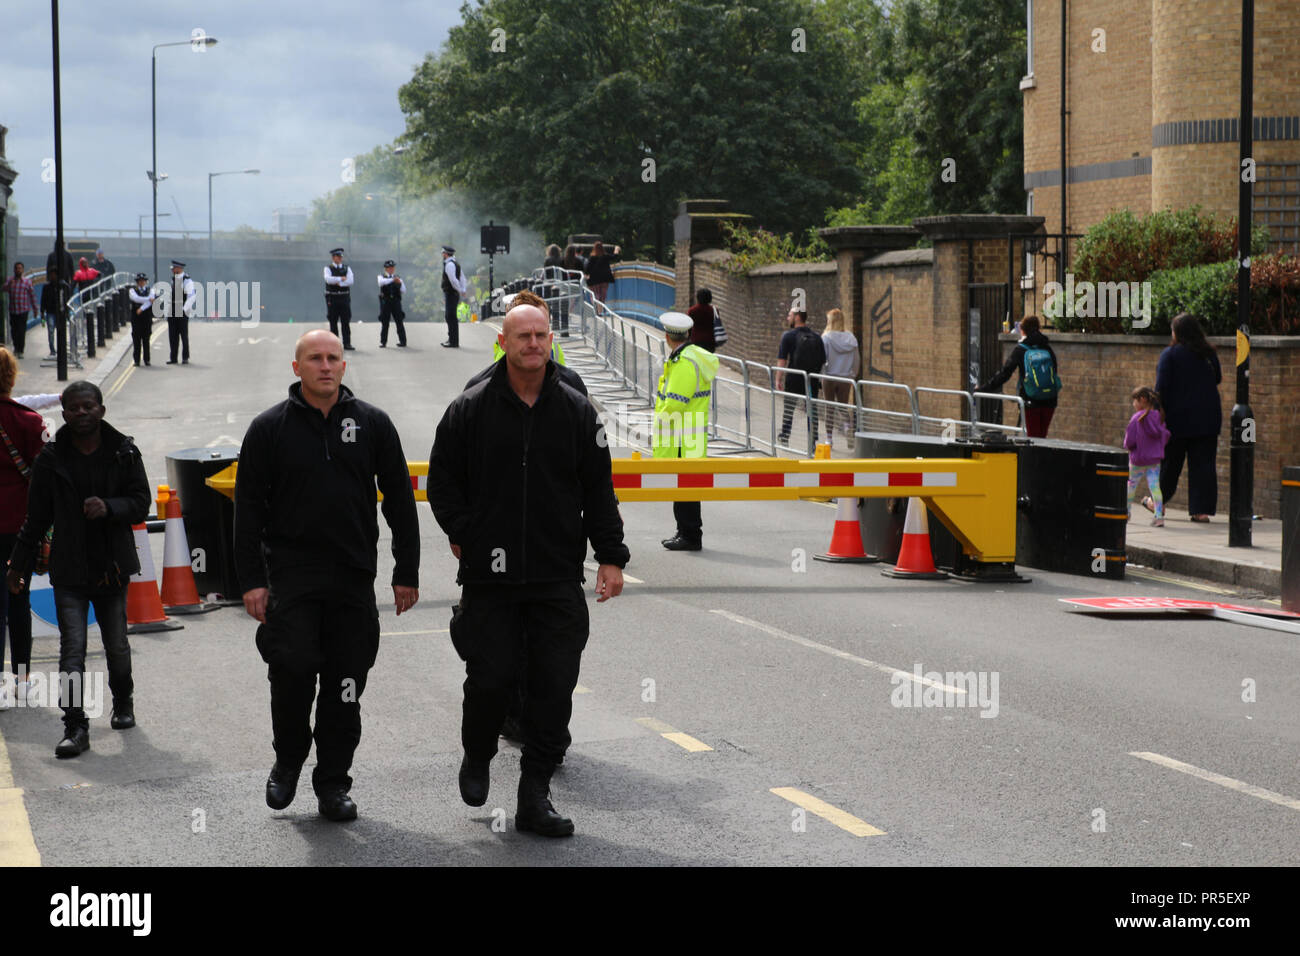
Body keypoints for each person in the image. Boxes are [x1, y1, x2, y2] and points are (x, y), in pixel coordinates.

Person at [427, 298, 629, 837]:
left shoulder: (576, 411)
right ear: (504, 343)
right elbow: (441, 483)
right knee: (489, 679)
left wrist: (610, 557)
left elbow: (598, 491)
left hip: (556, 574)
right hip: (490, 580)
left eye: (541, 335)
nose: (534, 344)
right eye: (524, 337)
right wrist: (466, 534)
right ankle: (477, 753)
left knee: (553, 685)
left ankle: (534, 795)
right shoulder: (469, 409)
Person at [234, 330, 419, 822]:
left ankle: (333, 783)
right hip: (290, 580)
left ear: (343, 365)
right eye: (314, 358)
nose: (325, 366)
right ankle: (288, 760)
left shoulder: (373, 424)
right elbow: (247, 510)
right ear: (297, 368)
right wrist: (251, 580)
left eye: (333, 358)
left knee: (346, 685)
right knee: (292, 673)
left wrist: (407, 571)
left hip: (352, 581)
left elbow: (399, 499)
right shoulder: (268, 428)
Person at [5, 381, 149, 758]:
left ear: (101, 409)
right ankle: (74, 724)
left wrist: (110, 507)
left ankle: (123, 701)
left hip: (112, 567)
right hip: (70, 568)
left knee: (117, 645)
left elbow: (140, 502)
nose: (82, 413)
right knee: (73, 650)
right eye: (74, 408)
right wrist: (17, 566)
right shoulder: (50, 460)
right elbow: (35, 519)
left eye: (89, 406)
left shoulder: (124, 451)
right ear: (64, 413)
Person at [0, 349, 45, 710]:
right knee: (19, 598)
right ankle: (23, 679)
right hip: (20, 528)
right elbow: (45, 480)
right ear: (12, 378)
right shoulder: (28, 421)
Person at [656, 312, 720, 551]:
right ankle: (686, 531)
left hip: (680, 431)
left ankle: (689, 535)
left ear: (667, 336)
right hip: (690, 429)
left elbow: (674, 402)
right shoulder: (690, 356)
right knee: (686, 485)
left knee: (684, 485)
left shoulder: (683, 362)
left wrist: (659, 419)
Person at [1156, 312, 1222, 521]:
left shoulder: (1170, 355)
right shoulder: (1209, 354)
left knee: (1170, 465)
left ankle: (1158, 503)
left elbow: (1161, 388)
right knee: (1204, 466)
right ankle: (1201, 511)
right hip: (1208, 419)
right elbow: (1217, 378)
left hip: (1178, 420)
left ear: (1178, 333)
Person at [979, 314, 1060, 438]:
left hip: (1030, 400)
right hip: (1050, 399)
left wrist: (983, 388)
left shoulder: (1021, 350)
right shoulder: (1047, 348)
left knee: (1033, 438)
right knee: (1042, 436)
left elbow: (1004, 374)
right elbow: (1054, 372)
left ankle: (1034, 457)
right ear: (1038, 328)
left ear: (1023, 330)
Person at [775, 310, 824, 447]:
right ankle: (813, 440)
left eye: (789, 315)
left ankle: (785, 436)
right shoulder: (816, 336)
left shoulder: (788, 336)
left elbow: (782, 360)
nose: (787, 317)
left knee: (789, 408)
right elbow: (822, 360)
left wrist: (778, 379)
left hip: (794, 378)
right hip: (811, 379)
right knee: (812, 409)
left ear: (797, 317)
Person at [1124, 385, 1170, 527]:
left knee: (1131, 485)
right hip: (1154, 460)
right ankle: (1158, 516)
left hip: (1138, 459)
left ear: (1142, 400)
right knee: (1155, 487)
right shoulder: (1158, 416)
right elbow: (1165, 435)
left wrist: (1129, 447)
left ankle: (1126, 512)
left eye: (1135, 401)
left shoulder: (1137, 418)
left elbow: (1129, 441)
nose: (1133, 404)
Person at [821, 308, 859, 447]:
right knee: (843, 406)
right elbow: (856, 360)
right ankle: (848, 428)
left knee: (829, 407)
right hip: (845, 377)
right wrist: (852, 375)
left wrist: (822, 374)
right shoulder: (851, 339)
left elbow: (822, 358)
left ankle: (829, 439)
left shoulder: (826, 338)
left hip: (830, 376)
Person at [323, 248, 355, 351]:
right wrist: (341, 278)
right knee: (333, 321)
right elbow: (328, 280)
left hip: (344, 297)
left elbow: (350, 281)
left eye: (341, 256)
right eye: (338, 256)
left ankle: (347, 343)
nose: (340, 258)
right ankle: (334, 345)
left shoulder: (347, 268)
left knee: (345, 321)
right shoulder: (328, 268)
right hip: (332, 297)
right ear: (333, 257)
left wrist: (339, 282)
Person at [165, 259, 195, 365]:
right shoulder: (174, 279)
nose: (172, 270)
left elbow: (191, 297)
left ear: (179, 269)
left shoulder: (187, 281)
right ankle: (173, 358)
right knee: (172, 335)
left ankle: (185, 357)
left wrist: (183, 310)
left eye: (174, 268)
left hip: (182, 310)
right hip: (172, 309)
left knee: (183, 335)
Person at [4, 263, 35, 359]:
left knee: (21, 331)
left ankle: (20, 350)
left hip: (23, 310)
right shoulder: (10, 280)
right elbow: (3, 289)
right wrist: (9, 284)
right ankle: (16, 347)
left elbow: (32, 295)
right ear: (14, 270)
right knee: (14, 331)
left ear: (23, 270)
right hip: (13, 310)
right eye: (17, 268)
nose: (18, 270)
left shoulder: (27, 282)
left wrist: (35, 309)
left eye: (20, 268)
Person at [440, 245, 469, 348]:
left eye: (443, 253)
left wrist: (460, 290)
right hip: (454, 293)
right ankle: (452, 339)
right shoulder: (455, 264)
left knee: (450, 316)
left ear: (446, 254)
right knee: (451, 316)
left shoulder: (449, 265)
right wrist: (463, 289)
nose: (442, 255)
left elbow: (453, 280)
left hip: (451, 293)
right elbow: (463, 278)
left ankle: (453, 341)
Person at [40, 268, 71, 360]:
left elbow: (67, 299)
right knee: (51, 331)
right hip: (50, 312)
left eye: (54, 274)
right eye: (51, 274)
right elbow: (43, 300)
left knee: (61, 331)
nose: (52, 276)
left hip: (60, 313)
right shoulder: (46, 287)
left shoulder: (63, 286)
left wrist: (67, 312)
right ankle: (52, 350)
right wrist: (42, 313)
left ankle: (61, 349)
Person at [127, 272, 155, 367]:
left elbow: (152, 301)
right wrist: (148, 299)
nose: (141, 283)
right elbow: (136, 299)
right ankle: (136, 360)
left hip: (146, 317)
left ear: (146, 282)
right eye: (140, 281)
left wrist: (141, 308)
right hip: (136, 318)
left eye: (143, 281)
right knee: (136, 339)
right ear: (137, 282)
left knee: (146, 339)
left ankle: (147, 360)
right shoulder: (132, 290)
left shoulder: (150, 290)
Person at [376, 260, 407, 348]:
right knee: (385, 322)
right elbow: (381, 283)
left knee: (399, 321)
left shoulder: (398, 278)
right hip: (386, 302)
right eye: (389, 268)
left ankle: (403, 341)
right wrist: (393, 280)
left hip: (396, 302)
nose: (391, 269)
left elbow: (404, 290)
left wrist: (399, 283)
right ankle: (383, 342)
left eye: (392, 268)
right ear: (386, 269)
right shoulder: (381, 276)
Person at [583, 240, 620, 305]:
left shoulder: (592, 258)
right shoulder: (605, 256)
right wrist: (616, 249)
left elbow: (587, 269)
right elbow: (615, 257)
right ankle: (601, 310)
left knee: (596, 295)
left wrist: (586, 275)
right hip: (605, 278)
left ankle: (597, 310)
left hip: (595, 279)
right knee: (603, 295)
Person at [686, 288, 717, 353]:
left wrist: (688, 338)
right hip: (710, 341)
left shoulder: (692, 311)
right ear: (710, 298)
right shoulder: (714, 310)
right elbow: (716, 324)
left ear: (698, 298)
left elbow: (688, 327)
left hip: (696, 340)